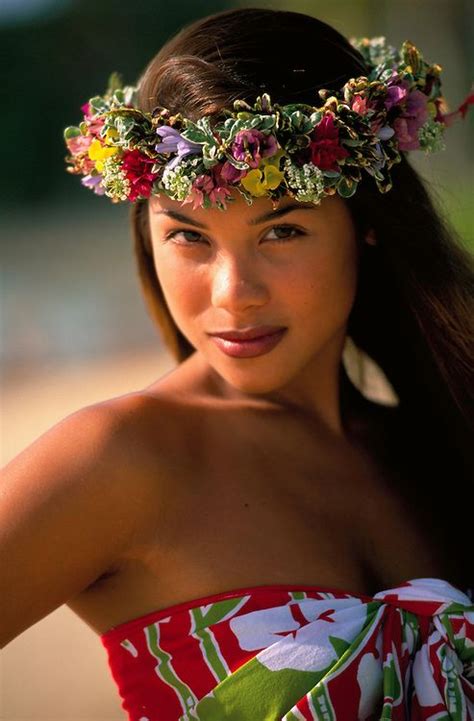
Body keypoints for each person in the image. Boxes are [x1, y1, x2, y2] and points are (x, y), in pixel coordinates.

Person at [2, 7, 473, 720]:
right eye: (189, 235)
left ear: (368, 224)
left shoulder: (431, 440)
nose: (232, 294)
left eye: (282, 228)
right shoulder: (119, 460)